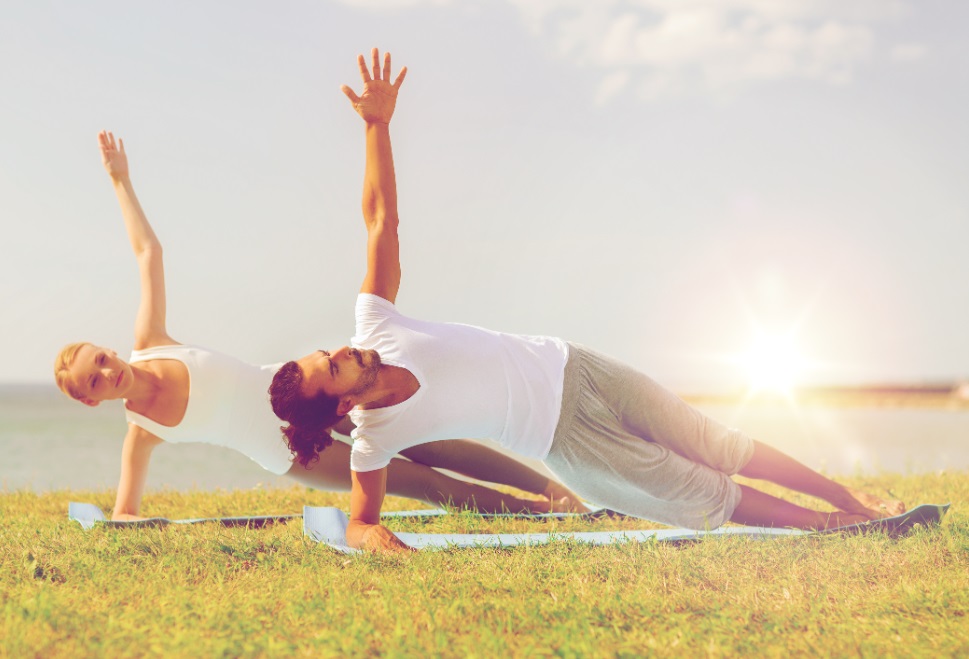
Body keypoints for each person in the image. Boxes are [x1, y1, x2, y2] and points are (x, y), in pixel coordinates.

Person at [269, 48, 907, 553]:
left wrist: (377, 128)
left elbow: (382, 220)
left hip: (575, 366)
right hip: (567, 441)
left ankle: (848, 499)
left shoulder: (375, 320)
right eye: (335, 366)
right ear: (346, 401)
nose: (344, 350)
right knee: (701, 493)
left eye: (330, 352)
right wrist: (387, 547)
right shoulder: (373, 442)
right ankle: (824, 529)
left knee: (719, 443)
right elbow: (359, 521)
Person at [52, 130, 587, 522]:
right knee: (415, 481)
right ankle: (538, 514)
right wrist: (119, 519)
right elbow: (125, 515)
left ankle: (558, 494)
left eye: (99, 357)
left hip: (306, 389)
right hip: (285, 450)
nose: (107, 370)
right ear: (90, 400)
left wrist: (120, 179)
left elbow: (149, 253)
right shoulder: (141, 433)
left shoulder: (149, 345)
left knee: (435, 442)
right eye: (94, 380)